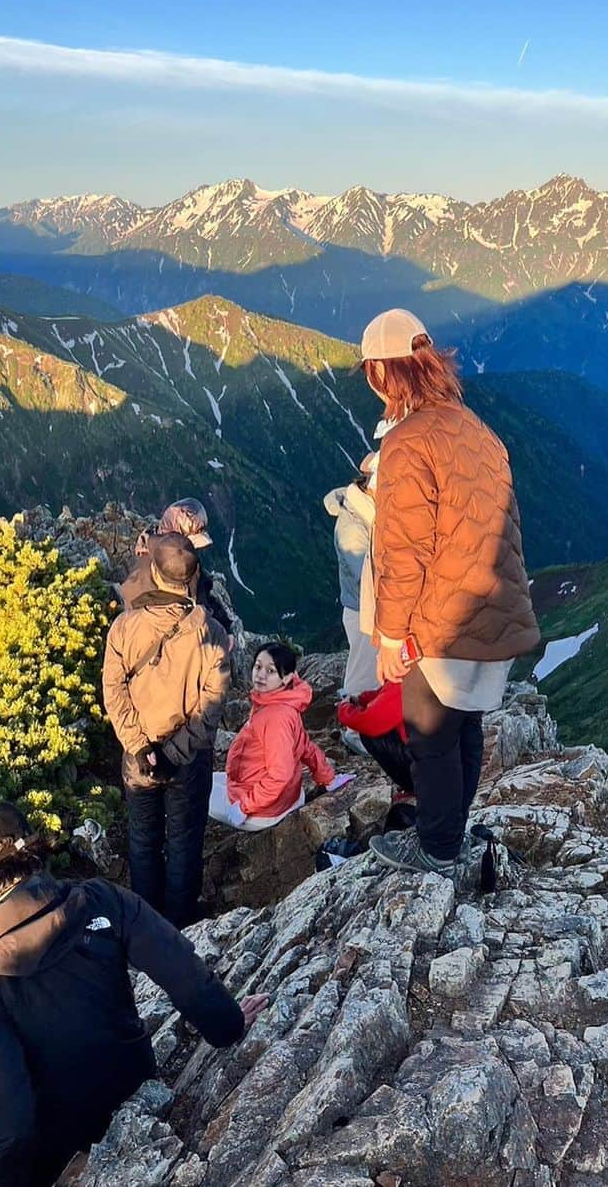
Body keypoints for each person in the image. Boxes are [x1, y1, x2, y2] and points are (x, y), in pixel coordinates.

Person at [0, 800, 268, 1187]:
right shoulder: (102, 899)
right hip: (129, 1081)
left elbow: (9, 1128)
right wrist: (230, 1025)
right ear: (33, 847)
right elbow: (185, 975)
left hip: (55, 1143)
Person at [357, 308, 540, 876]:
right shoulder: (476, 429)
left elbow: (402, 549)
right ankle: (451, 834)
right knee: (465, 723)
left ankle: (436, 848)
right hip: (496, 608)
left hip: (446, 615)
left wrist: (390, 634)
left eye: (371, 373)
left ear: (387, 374)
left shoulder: (408, 443)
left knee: (428, 730)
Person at [102, 532, 230, 925]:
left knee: (143, 841)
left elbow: (113, 690)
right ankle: (183, 927)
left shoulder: (125, 628)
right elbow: (212, 703)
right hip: (188, 759)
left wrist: (140, 747)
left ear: (155, 574)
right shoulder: (212, 633)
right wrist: (175, 753)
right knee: (184, 843)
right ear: (190, 579)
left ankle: (145, 924)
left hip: (138, 758)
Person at [209, 642, 353, 831]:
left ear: (286, 678)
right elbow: (306, 746)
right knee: (206, 778)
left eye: (271, 671)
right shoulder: (284, 704)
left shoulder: (275, 717)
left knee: (190, 787)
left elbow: (280, 774)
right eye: (258, 666)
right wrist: (328, 779)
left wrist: (245, 806)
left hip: (263, 812)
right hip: (287, 796)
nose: (261, 675)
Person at [118, 497, 233, 637]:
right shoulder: (164, 572)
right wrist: (223, 630)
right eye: (190, 545)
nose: (193, 551)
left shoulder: (156, 558)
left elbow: (202, 590)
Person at [323, 459, 379, 702]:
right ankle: (354, 730)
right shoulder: (352, 528)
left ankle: (366, 728)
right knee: (364, 676)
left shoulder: (366, 513)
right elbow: (365, 576)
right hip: (364, 611)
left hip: (372, 609)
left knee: (373, 675)